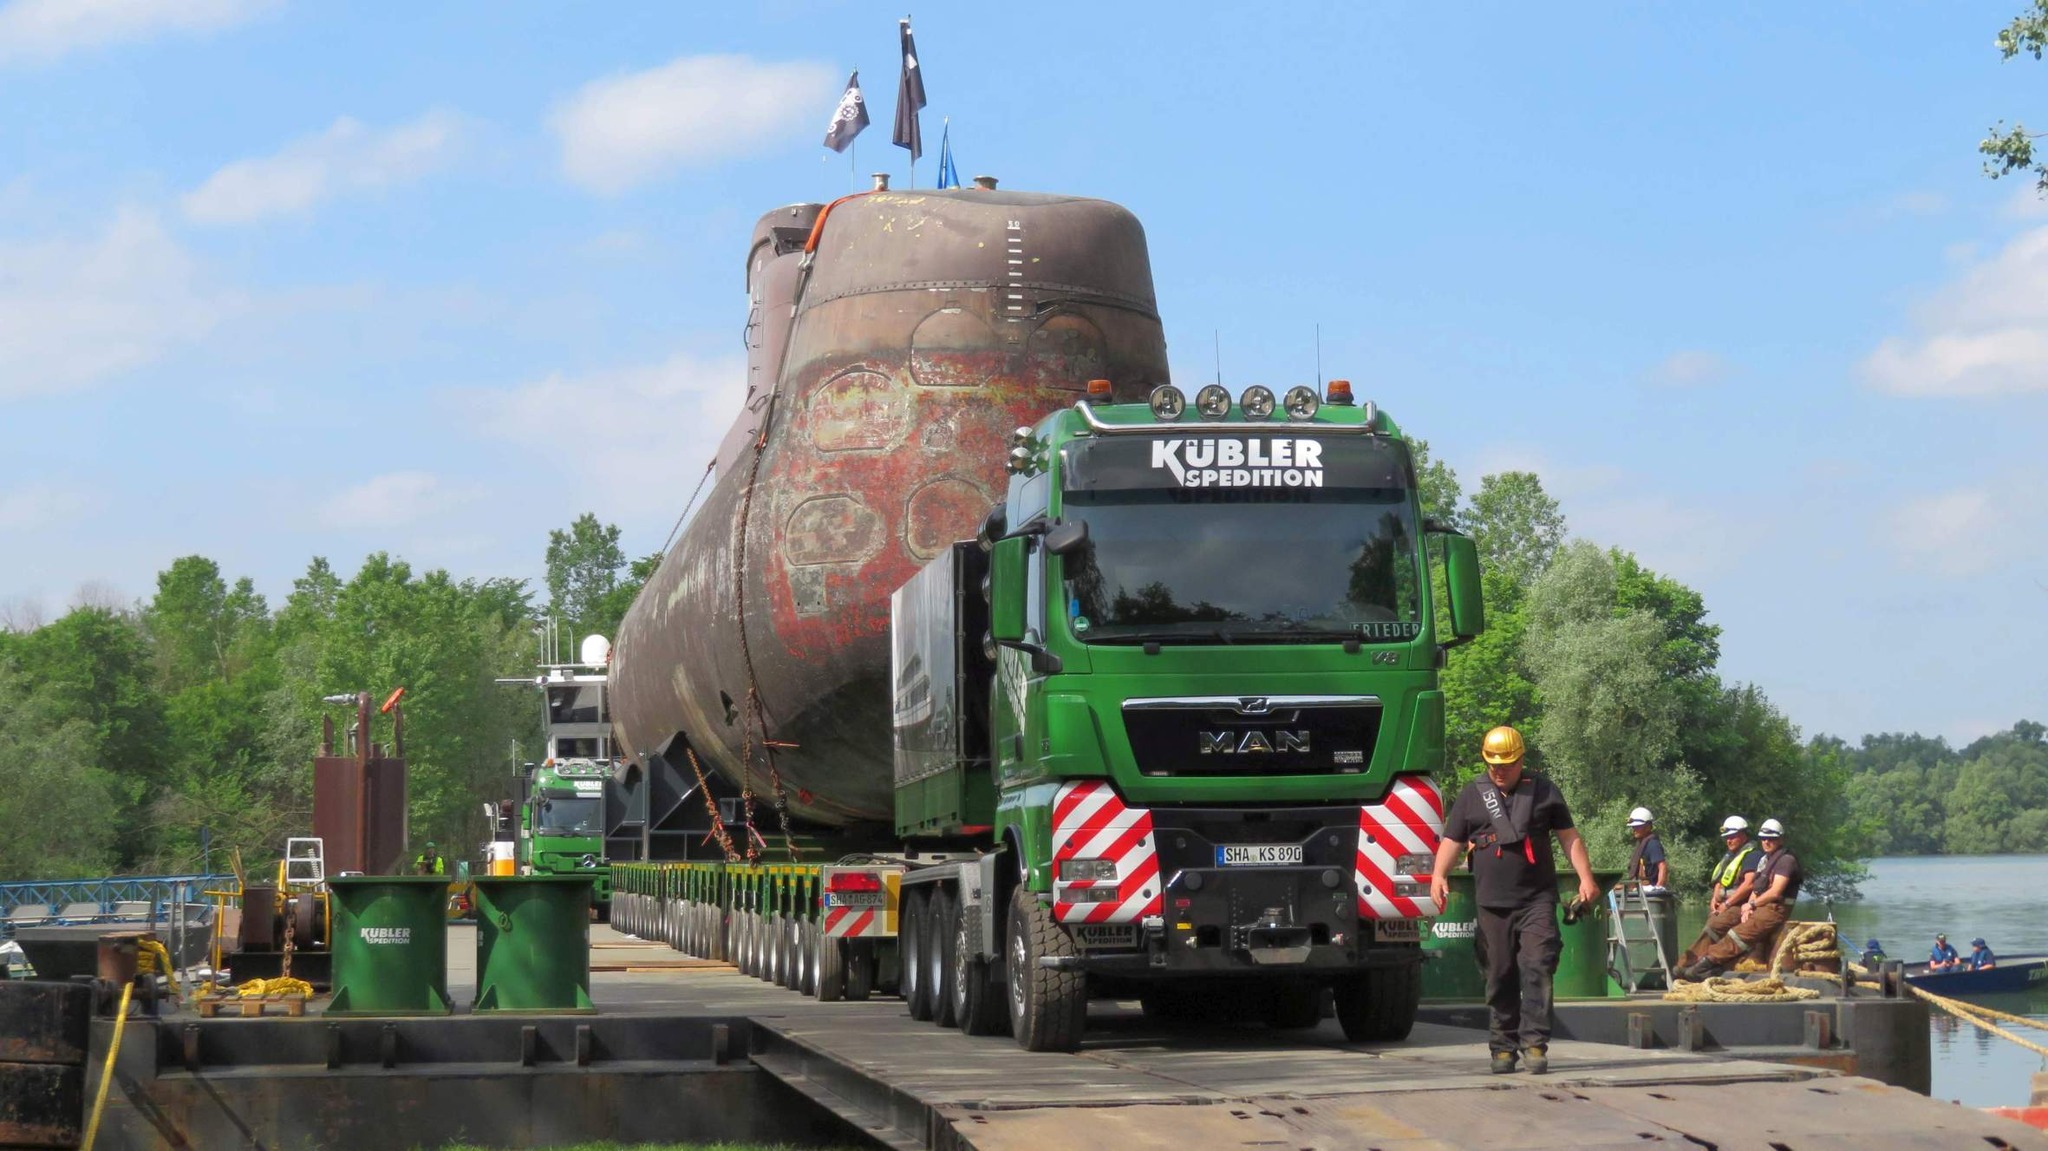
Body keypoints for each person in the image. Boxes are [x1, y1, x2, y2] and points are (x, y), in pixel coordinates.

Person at [1431, 725, 1600, 1076]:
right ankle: (1503, 1047)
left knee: (1537, 965)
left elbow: (1570, 838)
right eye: (1492, 763)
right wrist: (1438, 875)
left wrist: (1585, 877)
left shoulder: (1544, 792)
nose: (1499, 770)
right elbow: (1452, 840)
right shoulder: (1472, 795)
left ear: (1521, 759)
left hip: (1536, 900)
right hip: (1492, 904)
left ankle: (1535, 1043)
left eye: (1506, 763)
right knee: (1499, 974)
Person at [1683, 817, 1799, 979]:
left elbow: (1775, 892)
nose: (1766, 841)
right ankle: (1691, 963)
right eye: (1763, 838)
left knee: (1739, 934)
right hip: (1759, 906)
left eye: (1771, 838)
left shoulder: (1787, 861)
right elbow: (1757, 888)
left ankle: (1706, 964)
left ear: (1781, 839)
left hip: (1776, 909)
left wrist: (1751, 904)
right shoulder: (1765, 860)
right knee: (1720, 926)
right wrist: (1748, 907)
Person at [1678, 816, 1760, 969]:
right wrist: (1714, 899)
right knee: (1710, 925)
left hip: (1739, 905)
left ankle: (1689, 963)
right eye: (1727, 838)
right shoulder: (1730, 857)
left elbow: (1749, 884)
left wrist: (1727, 903)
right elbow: (1721, 881)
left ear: (1743, 835)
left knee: (1715, 927)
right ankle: (1704, 962)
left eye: (1732, 837)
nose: (1729, 841)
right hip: (1724, 905)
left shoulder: (1752, 856)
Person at [1624, 807, 1668, 891]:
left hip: (1649, 889)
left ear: (1648, 826)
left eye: (1637, 827)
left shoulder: (1653, 844)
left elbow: (1662, 866)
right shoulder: (1642, 844)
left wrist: (1659, 887)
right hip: (1639, 888)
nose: (1634, 830)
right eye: (1633, 827)